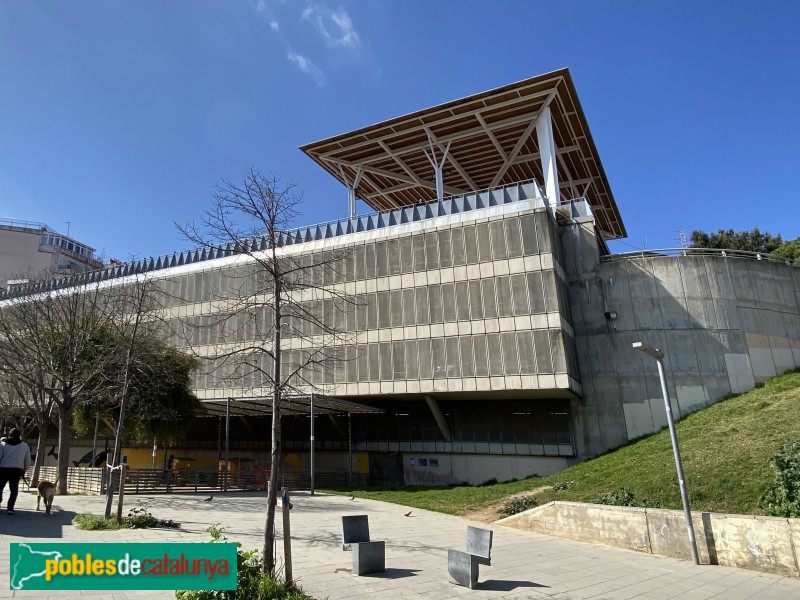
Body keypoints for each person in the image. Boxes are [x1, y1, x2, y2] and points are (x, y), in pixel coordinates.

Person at [0, 428, 32, 514]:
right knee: (14, 489)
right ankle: (10, 508)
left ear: (9, 435)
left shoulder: (3, 445)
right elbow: (27, 459)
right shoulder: (24, 446)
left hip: (3, 469)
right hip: (16, 470)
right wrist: (25, 469)